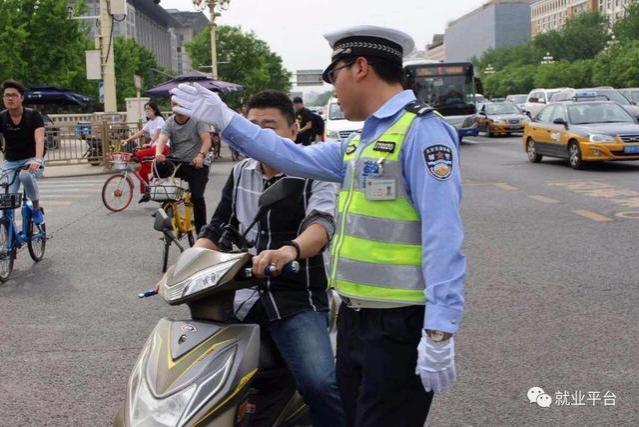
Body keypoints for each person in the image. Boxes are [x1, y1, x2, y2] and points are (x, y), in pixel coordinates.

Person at [171, 25, 465, 427]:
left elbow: (443, 236)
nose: (333, 88)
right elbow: (286, 154)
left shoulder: (423, 133)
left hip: (400, 324)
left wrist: (439, 332)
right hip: (355, 317)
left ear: (360, 67)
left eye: (333, 75)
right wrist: (225, 119)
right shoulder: (361, 141)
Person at [194, 90, 343, 426]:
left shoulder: (315, 171)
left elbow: (321, 225)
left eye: (269, 126)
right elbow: (217, 229)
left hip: (295, 298)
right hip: (241, 294)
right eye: (252, 125)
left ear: (295, 130)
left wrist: (289, 250)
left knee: (319, 383)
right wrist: (186, 266)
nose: (258, 134)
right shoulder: (242, 171)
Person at [155, 105, 211, 233]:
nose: (179, 115)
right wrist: (158, 153)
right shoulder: (170, 122)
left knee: (197, 197)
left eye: (181, 112)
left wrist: (200, 156)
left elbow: (207, 140)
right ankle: (166, 208)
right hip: (178, 161)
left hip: (197, 162)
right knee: (159, 167)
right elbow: (162, 140)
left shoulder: (198, 120)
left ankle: (202, 231)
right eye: (176, 112)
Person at [0, 80, 45, 224]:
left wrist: (37, 160)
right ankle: (9, 241)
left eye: (14, 95)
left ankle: (37, 208)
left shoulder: (34, 116)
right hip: (11, 162)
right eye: (7, 95)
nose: (10, 98)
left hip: (32, 160)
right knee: (6, 201)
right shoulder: (1, 117)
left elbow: (39, 140)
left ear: (22, 98)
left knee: (25, 175)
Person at [125, 102, 169, 202]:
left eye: (148, 109)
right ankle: (147, 191)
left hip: (163, 148)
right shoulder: (149, 123)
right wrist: (128, 140)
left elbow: (158, 133)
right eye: (145, 109)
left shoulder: (160, 120)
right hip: (154, 148)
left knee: (139, 154)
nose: (147, 111)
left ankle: (154, 174)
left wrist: (150, 142)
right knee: (142, 170)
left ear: (154, 110)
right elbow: (140, 132)